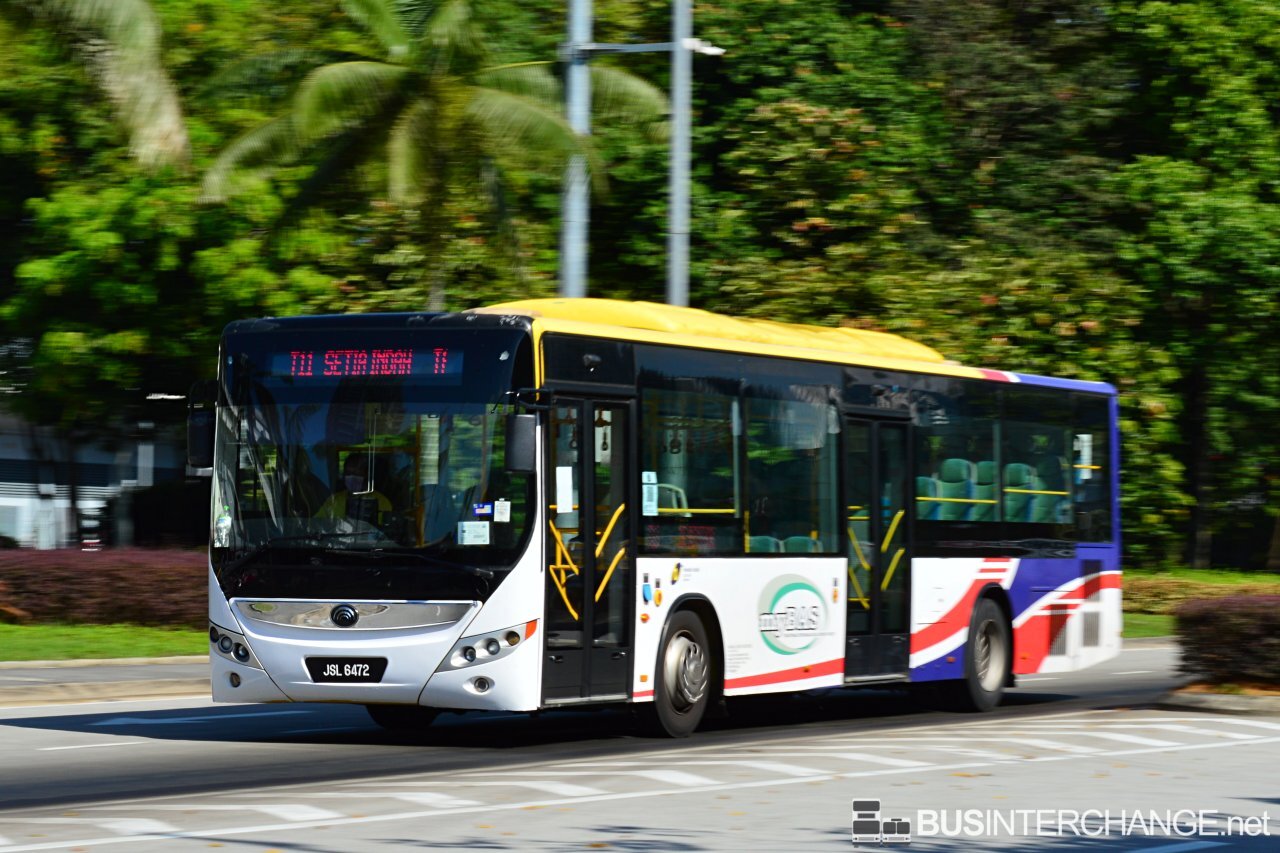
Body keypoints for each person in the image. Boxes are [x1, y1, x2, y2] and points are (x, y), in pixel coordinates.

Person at [315, 454, 392, 524]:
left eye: (356, 474)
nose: (351, 477)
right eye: (348, 473)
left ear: (366, 475)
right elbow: (317, 523)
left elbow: (384, 531)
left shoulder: (381, 501)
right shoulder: (334, 500)